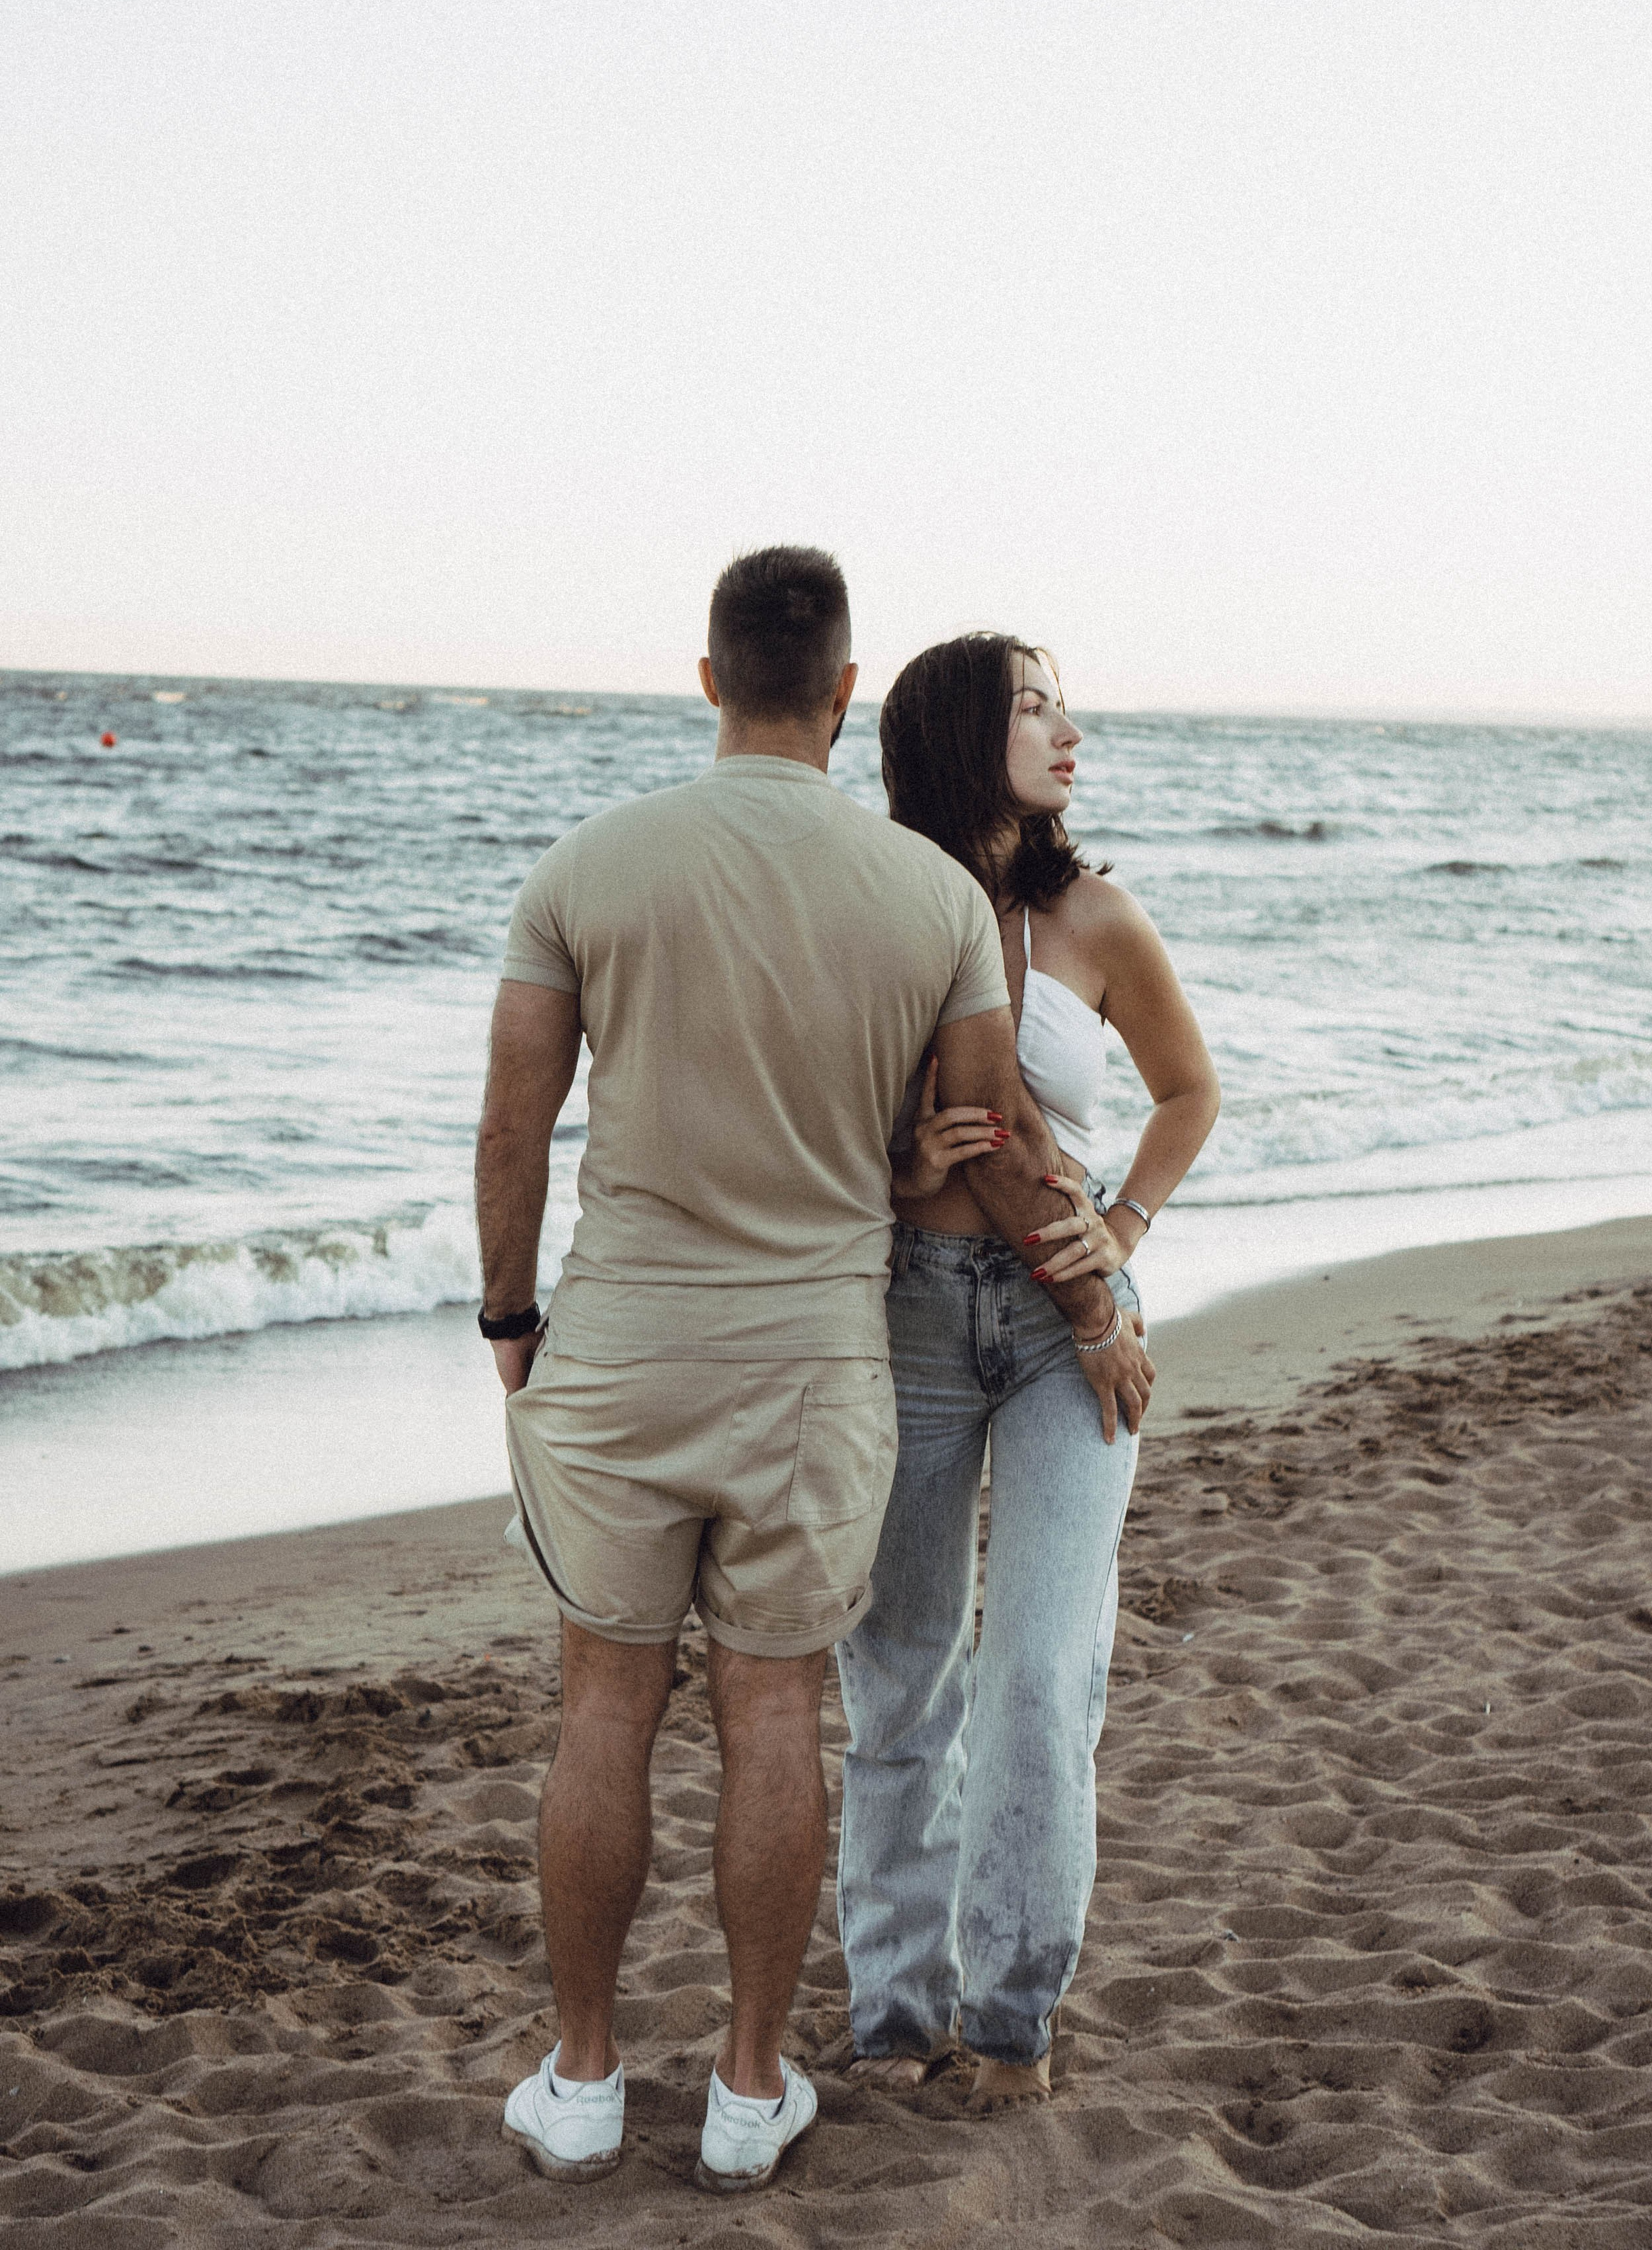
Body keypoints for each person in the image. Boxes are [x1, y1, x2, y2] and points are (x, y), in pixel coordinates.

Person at [474, 552, 1154, 2194]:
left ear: (705, 678)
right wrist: (1096, 1299)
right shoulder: (923, 898)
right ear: (842, 696)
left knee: (602, 1709)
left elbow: (511, 1126)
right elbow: (995, 1144)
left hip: (622, 1358)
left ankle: (577, 2083)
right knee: (777, 1709)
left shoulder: (588, 863)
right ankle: (747, 2087)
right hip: (816, 1366)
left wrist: (511, 1325)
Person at [836, 632, 1219, 2112]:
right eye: (1033, 707)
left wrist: (1118, 1234)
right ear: (951, 735)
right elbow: (808, 1121)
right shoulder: (876, 912)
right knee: (898, 1685)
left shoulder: (1097, 918)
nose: (1069, 730)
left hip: (1072, 1324)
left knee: (1042, 1675)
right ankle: (888, 2016)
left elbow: (1188, 1092)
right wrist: (893, 1160)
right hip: (912, 1315)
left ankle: (1005, 2021)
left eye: (1065, 705)